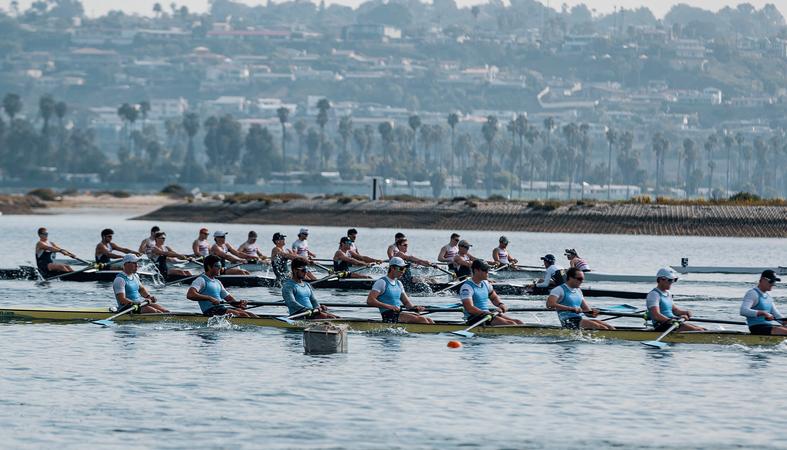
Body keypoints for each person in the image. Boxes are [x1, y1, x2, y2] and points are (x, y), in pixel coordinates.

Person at [366, 257, 434, 324]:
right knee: (422, 320)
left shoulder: (399, 283)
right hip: (389, 316)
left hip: (398, 313)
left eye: (404, 269)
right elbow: (370, 301)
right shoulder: (382, 282)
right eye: (401, 269)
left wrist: (416, 308)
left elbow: (407, 304)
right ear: (392, 268)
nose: (403, 272)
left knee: (429, 320)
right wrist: (389, 307)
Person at [186, 255, 258, 318]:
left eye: (220, 266)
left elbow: (229, 300)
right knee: (243, 315)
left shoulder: (218, 282)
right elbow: (190, 295)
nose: (220, 269)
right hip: (210, 311)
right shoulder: (201, 280)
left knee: (250, 314)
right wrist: (210, 298)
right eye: (217, 266)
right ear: (209, 267)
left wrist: (239, 304)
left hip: (221, 308)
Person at [546, 267, 614, 330]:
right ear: (570, 278)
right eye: (579, 279)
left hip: (579, 320)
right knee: (602, 328)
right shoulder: (559, 290)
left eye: (582, 279)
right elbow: (549, 304)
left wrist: (593, 313)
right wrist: (571, 308)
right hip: (568, 321)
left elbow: (587, 311)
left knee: (609, 327)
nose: (581, 281)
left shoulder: (578, 291)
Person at [459, 259, 523, 326]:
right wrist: (486, 313)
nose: (487, 272)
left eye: (488, 270)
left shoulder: (486, 283)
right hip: (473, 317)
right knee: (511, 324)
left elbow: (494, 297)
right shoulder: (467, 287)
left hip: (486, 315)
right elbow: (469, 308)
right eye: (484, 270)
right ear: (476, 270)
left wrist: (500, 304)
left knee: (519, 322)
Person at [647, 267, 704, 332]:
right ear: (661, 279)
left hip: (673, 323)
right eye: (670, 280)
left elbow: (675, 310)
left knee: (703, 329)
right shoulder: (654, 294)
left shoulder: (668, 293)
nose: (672, 282)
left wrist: (685, 312)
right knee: (699, 330)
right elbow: (656, 316)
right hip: (662, 325)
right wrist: (672, 320)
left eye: (674, 280)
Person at [739, 269, 787, 336]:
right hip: (757, 328)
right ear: (763, 280)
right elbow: (743, 311)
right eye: (771, 281)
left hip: (768, 327)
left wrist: (785, 321)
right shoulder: (752, 293)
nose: (773, 284)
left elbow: (777, 316)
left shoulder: (768, 297)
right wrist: (763, 313)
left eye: (774, 282)